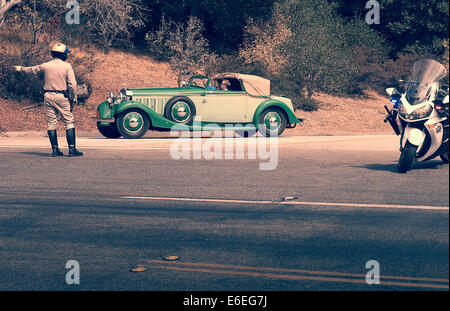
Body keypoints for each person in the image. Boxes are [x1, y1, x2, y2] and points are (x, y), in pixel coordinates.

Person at [14, 43, 83, 157]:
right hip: (62, 97)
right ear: (64, 55)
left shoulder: (46, 65)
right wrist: (73, 97)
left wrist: (21, 68)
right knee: (69, 122)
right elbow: (72, 84)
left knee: (51, 123)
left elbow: (32, 70)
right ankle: (72, 149)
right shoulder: (67, 66)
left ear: (53, 54)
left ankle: (55, 150)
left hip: (48, 96)